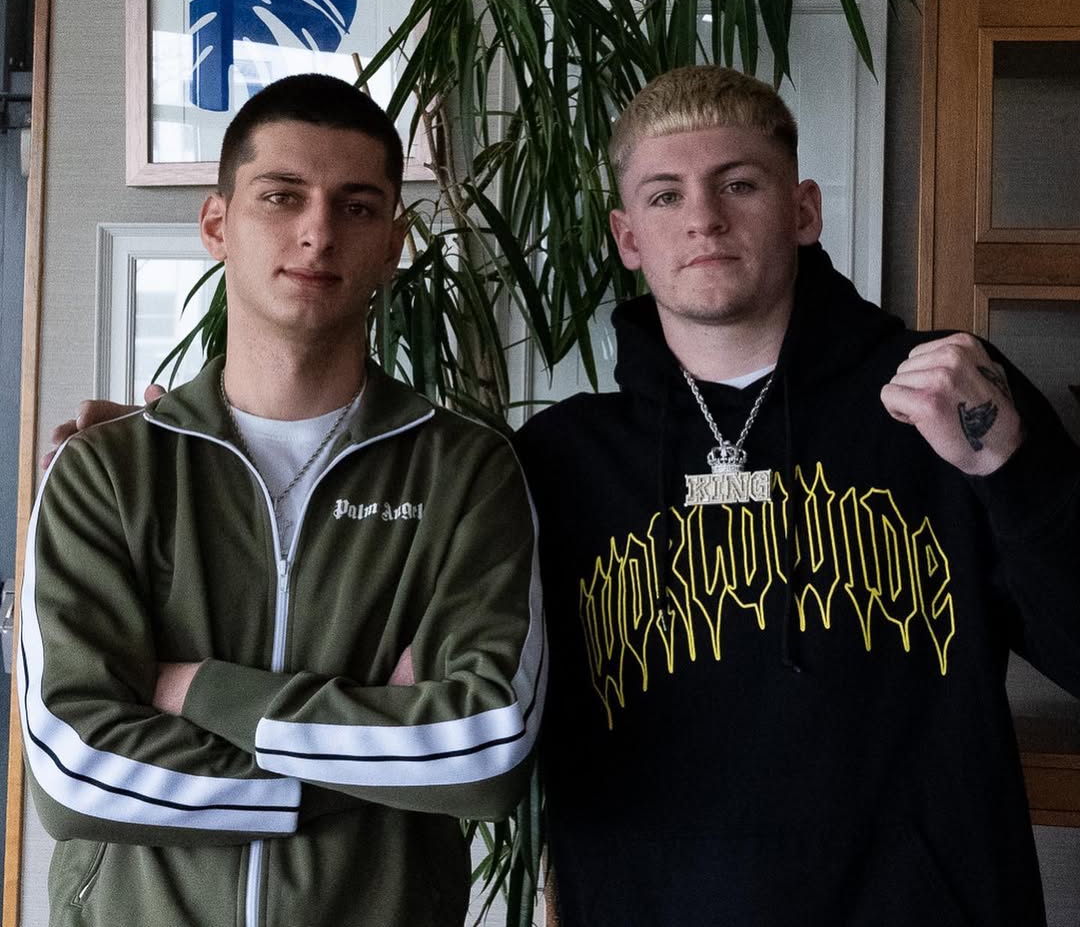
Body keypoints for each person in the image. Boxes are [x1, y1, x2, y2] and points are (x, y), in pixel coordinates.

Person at [512, 65, 1080, 926]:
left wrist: (1009, 464)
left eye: (739, 183)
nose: (703, 217)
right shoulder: (560, 459)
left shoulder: (951, 395)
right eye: (665, 196)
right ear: (628, 237)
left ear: (804, 210)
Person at [21, 73, 545, 927]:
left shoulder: (463, 473)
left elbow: (486, 749)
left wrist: (203, 691)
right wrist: (362, 766)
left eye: (357, 206)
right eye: (282, 196)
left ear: (394, 244)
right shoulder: (106, 470)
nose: (318, 231)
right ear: (216, 224)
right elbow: (75, 772)